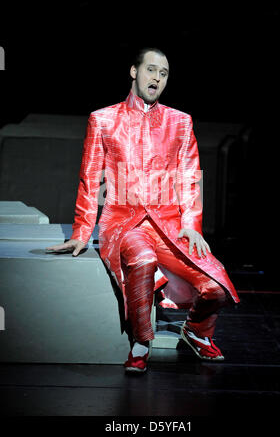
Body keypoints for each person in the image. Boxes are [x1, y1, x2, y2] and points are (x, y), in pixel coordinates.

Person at [46, 47, 240, 373]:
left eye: (163, 74)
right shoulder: (103, 119)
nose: (157, 78)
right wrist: (82, 232)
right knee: (143, 259)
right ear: (134, 72)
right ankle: (140, 341)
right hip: (123, 221)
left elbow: (190, 179)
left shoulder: (180, 122)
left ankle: (196, 331)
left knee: (216, 288)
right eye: (151, 70)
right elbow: (90, 178)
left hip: (169, 223)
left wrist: (192, 224)